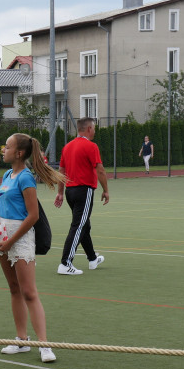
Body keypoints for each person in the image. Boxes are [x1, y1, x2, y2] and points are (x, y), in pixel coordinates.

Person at [0, 133, 67, 363]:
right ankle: (21, 340)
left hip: (20, 239)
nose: (4, 149)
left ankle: (43, 345)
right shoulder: (6, 175)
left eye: (8, 146)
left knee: (29, 293)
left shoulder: (26, 177)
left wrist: (11, 241)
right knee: (14, 289)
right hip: (3, 236)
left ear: (20, 153)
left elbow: (32, 216)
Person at [54, 117, 109, 276]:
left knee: (84, 225)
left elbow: (61, 172)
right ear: (89, 129)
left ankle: (92, 259)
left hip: (70, 192)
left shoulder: (67, 147)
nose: (95, 131)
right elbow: (100, 170)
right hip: (84, 191)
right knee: (78, 225)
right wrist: (105, 190)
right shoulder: (91, 146)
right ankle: (65, 263)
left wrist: (60, 192)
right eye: (94, 128)